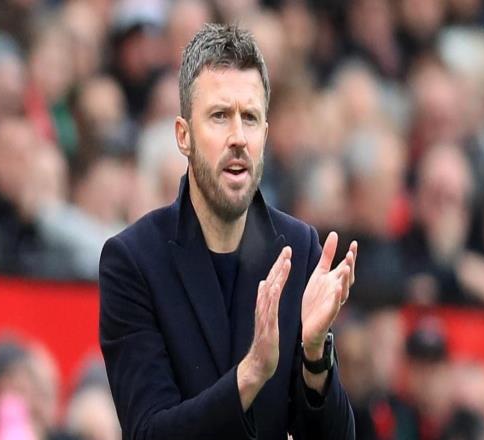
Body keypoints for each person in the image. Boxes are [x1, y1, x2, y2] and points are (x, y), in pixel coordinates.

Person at [99, 23, 357, 439]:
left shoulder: (301, 249)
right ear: (183, 135)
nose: (238, 137)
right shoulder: (133, 261)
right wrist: (251, 374)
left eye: (250, 118)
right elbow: (148, 431)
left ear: (265, 136)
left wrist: (315, 357)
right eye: (220, 116)